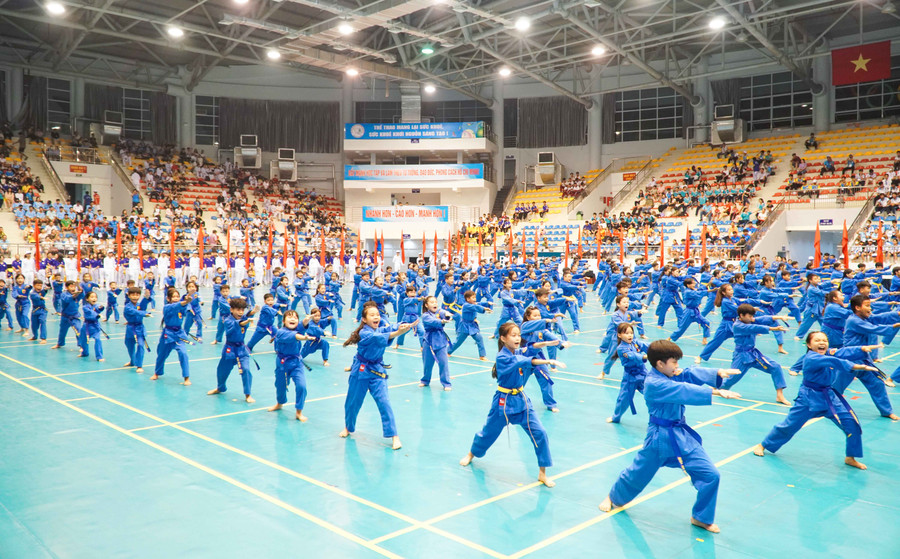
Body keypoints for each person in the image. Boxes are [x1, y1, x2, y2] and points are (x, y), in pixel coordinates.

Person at [599, 340, 741, 533]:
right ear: (660, 364)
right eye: (673, 362)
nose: (677, 366)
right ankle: (613, 497)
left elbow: (688, 373)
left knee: (710, 475)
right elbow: (683, 390)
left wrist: (716, 373)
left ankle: (701, 517)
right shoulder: (654, 383)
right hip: (658, 439)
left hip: (682, 437)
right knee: (637, 473)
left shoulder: (669, 374)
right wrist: (715, 392)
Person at [460, 321, 565, 487]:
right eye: (513, 335)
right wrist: (548, 362)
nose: (517, 338)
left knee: (541, 434)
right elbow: (524, 360)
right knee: (488, 433)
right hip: (503, 402)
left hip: (522, 402)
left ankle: (542, 473)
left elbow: (529, 350)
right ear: (503, 338)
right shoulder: (502, 357)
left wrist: (546, 343)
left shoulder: (517, 351)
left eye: (518, 335)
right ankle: (471, 454)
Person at [753, 332, 877, 470]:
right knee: (790, 425)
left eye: (824, 340)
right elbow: (835, 361)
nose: (822, 343)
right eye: (817, 340)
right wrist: (860, 367)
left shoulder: (827, 353)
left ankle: (850, 457)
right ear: (809, 345)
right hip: (809, 398)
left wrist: (861, 349)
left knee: (852, 424)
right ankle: (763, 445)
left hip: (829, 397)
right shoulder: (812, 358)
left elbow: (842, 351)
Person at [340, 302, 416, 450]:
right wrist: (398, 333)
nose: (376, 317)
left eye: (378, 315)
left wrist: (404, 324)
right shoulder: (365, 333)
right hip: (361, 371)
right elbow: (380, 337)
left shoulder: (380, 328)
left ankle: (394, 435)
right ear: (364, 319)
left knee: (384, 402)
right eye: (372, 315)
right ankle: (348, 427)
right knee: (353, 402)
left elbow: (391, 327)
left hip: (377, 371)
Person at [725, 304, 791, 405]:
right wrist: (774, 329)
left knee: (775, 367)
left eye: (752, 316)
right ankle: (716, 389)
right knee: (730, 380)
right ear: (741, 315)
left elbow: (763, 318)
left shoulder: (748, 320)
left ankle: (780, 395)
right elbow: (754, 328)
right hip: (741, 356)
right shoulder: (738, 325)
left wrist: (779, 317)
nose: (752, 318)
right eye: (750, 316)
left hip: (753, 354)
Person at [207, 298, 259, 403]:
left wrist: (253, 312)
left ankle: (248, 394)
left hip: (242, 350)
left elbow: (246, 317)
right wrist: (243, 322)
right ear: (231, 310)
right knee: (222, 371)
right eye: (238, 310)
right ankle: (220, 387)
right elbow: (237, 324)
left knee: (246, 370)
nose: (240, 312)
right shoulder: (227, 320)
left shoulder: (244, 317)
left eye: (242, 310)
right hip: (229, 350)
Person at [269, 309, 314, 420]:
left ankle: (299, 411)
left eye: (295, 317)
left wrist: (305, 321)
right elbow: (295, 336)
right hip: (282, 363)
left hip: (296, 363)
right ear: (284, 321)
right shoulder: (280, 332)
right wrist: (304, 338)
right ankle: (280, 403)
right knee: (280, 386)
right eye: (289, 317)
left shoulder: (297, 328)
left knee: (301, 386)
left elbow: (301, 327)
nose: (293, 319)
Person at [608, 323, 649, 423]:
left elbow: (646, 346)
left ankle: (660, 415)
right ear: (619, 335)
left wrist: (656, 350)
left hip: (643, 373)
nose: (630, 335)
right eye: (626, 333)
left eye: (631, 333)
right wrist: (644, 357)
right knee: (624, 398)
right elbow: (633, 356)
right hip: (630, 377)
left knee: (651, 393)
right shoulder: (621, 348)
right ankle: (616, 417)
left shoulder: (635, 342)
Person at [152, 287, 193, 385]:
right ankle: (157, 372)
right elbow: (177, 306)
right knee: (161, 354)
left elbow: (183, 307)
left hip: (179, 334)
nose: (176, 298)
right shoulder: (167, 307)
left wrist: (187, 300)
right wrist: (184, 302)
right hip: (168, 334)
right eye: (173, 297)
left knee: (183, 353)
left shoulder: (181, 307)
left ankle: (186, 378)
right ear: (168, 299)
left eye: (177, 296)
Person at [419, 295, 453, 390]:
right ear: (426, 305)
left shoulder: (439, 311)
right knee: (427, 363)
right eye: (432, 302)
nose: (435, 304)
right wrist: (442, 321)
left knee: (443, 363)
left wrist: (447, 314)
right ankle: (425, 380)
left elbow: (443, 312)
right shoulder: (425, 316)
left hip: (441, 341)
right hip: (428, 341)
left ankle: (446, 383)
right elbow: (434, 322)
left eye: (436, 302)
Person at [448, 290, 492, 360]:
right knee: (458, 341)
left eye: (475, 297)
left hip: (472, 325)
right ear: (468, 299)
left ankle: (482, 356)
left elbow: (478, 303)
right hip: (464, 326)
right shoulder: (466, 305)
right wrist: (484, 308)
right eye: (473, 298)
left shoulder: (473, 304)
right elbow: (476, 307)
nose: (475, 299)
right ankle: (448, 352)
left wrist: (487, 303)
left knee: (479, 338)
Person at [123, 287, 152, 373]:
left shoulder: (139, 305)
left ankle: (139, 365)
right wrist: (145, 313)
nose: (135, 297)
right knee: (129, 345)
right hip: (130, 328)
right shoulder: (127, 307)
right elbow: (136, 312)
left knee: (140, 345)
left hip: (139, 328)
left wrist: (146, 298)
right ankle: (132, 361)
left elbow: (143, 305)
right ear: (129, 295)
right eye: (133, 295)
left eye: (137, 295)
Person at [52, 281, 84, 349]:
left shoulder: (77, 294)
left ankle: (81, 346)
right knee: (62, 331)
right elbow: (67, 299)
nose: (73, 288)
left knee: (78, 330)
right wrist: (75, 295)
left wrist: (78, 286)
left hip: (74, 317)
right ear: (67, 287)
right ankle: (59, 344)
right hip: (65, 317)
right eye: (71, 286)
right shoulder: (63, 294)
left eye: (74, 287)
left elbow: (82, 294)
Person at [78, 291, 105, 361]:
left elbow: (98, 309)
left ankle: (99, 356)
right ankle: (84, 353)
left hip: (95, 326)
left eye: (95, 297)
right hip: (86, 326)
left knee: (98, 340)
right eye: (92, 297)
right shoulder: (85, 307)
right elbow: (91, 312)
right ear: (87, 299)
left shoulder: (96, 306)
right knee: (84, 341)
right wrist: (97, 315)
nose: (94, 298)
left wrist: (101, 308)